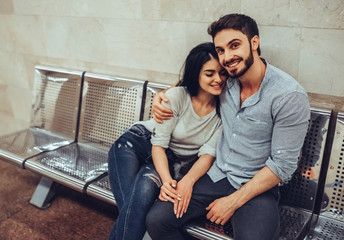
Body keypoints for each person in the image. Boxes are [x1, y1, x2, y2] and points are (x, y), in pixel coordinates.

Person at [146, 13, 311, 240]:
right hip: (216, 174)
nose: (227, 57)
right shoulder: (226, 81)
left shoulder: (288, 96)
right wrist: (163, 96)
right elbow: (193, 82)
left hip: (256, 186)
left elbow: (282, 166)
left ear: (254, 43)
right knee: (157, 221)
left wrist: (232, 201)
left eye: (234, 46)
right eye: (221, 50)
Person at [107, 42, 228, 240]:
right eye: (209, 73)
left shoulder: (224, 111)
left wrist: (186, 182)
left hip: (167, 158)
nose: (218, 79)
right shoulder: (177, 97)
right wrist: (166, 182)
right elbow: (158, 145)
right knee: (134, 210)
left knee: (134, 211)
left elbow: (208, 154)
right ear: (196, 74)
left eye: (222, 73)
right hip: (134, 144)